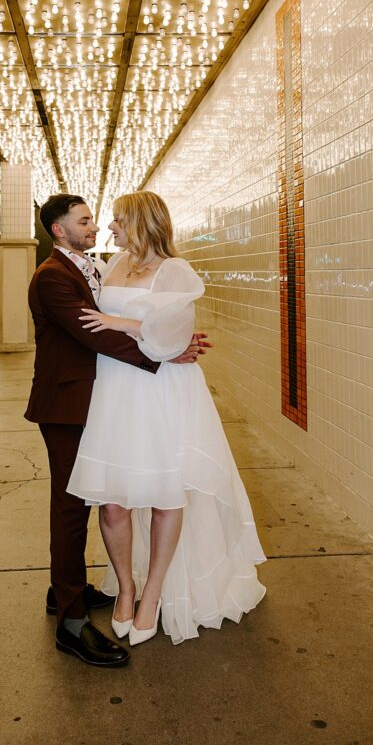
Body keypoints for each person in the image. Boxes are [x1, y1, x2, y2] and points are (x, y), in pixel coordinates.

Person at [67, 191, 266, 646]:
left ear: (141, 222)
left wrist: (124, 325)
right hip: (115, 391)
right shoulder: (111, 265)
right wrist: (141, 332)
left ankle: (153, 595)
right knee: (113, 500)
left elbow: (170, 338)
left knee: (164, 495)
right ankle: (126, 588)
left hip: (160, 393)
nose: (110, 227)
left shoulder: (174, 271)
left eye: (118, 220)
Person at [26, 194, 207, 668]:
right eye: (85, 221)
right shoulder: (52, 276)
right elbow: (94, 333)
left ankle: (68, 590)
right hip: (69, 402)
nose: (99, 227)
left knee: (106, 496)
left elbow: (165, 315)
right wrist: (161, 354)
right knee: (72, 506)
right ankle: (70, 620)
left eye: (105, 220)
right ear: (59, 231)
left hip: (110, 397)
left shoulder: (98, 266)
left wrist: (172, 343)